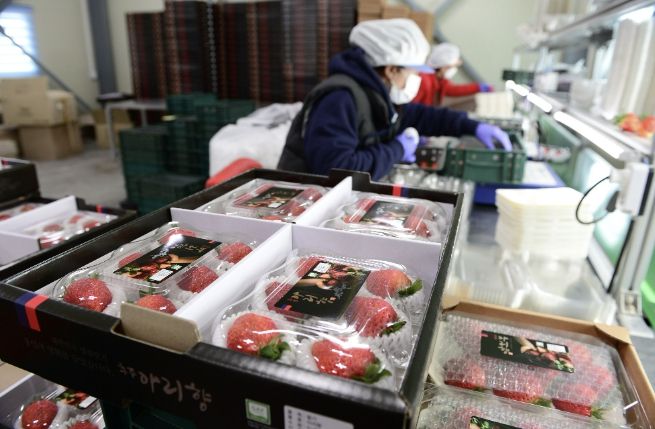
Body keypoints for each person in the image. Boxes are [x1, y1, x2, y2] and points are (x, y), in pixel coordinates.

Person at [277, 19, 511, 181]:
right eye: (414, 73)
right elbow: (336, 170)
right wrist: (397, 149)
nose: (417, 79)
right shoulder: (340, 99)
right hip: (303, 205)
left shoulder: (378, 94)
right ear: (391, 70)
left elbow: (420, 116)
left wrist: (471, 126)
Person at [413, 43, 493, 107]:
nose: (454, 70)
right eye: (453, 66)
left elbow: (453, 90)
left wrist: (478, 87)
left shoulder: (439, 80)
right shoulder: (424, 81)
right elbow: (412, 107)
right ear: (444, 67)